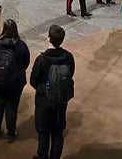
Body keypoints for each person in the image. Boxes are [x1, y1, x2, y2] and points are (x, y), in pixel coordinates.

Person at [30, 24, 75, 159]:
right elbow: (71, 74)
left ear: (48, 38)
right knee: (58, 132)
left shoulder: (41, 60)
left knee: (43, 132)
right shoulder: (68, 57)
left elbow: (33, 80)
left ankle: (42, 156)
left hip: (44, 101)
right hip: (61, 100)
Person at [0, 19, 30, 142]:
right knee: (11, 108)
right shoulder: (21, 46)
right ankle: (11, 134)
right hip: (15, 83)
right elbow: (25, 63)